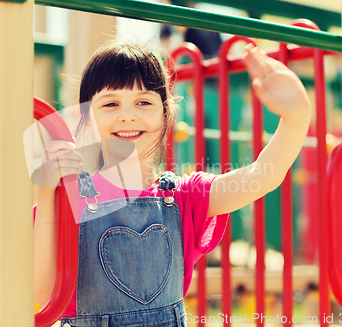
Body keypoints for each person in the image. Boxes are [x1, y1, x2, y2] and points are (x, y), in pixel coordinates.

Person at [33, 41, 310, 327]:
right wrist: (46, 192)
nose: (128, 115)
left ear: (166, 112)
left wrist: (295, 118)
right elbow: (42, 292)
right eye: (111, 103)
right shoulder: (68, 199)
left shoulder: (183, 197)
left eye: (144, 102)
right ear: (86, 118)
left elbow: (260, 178)